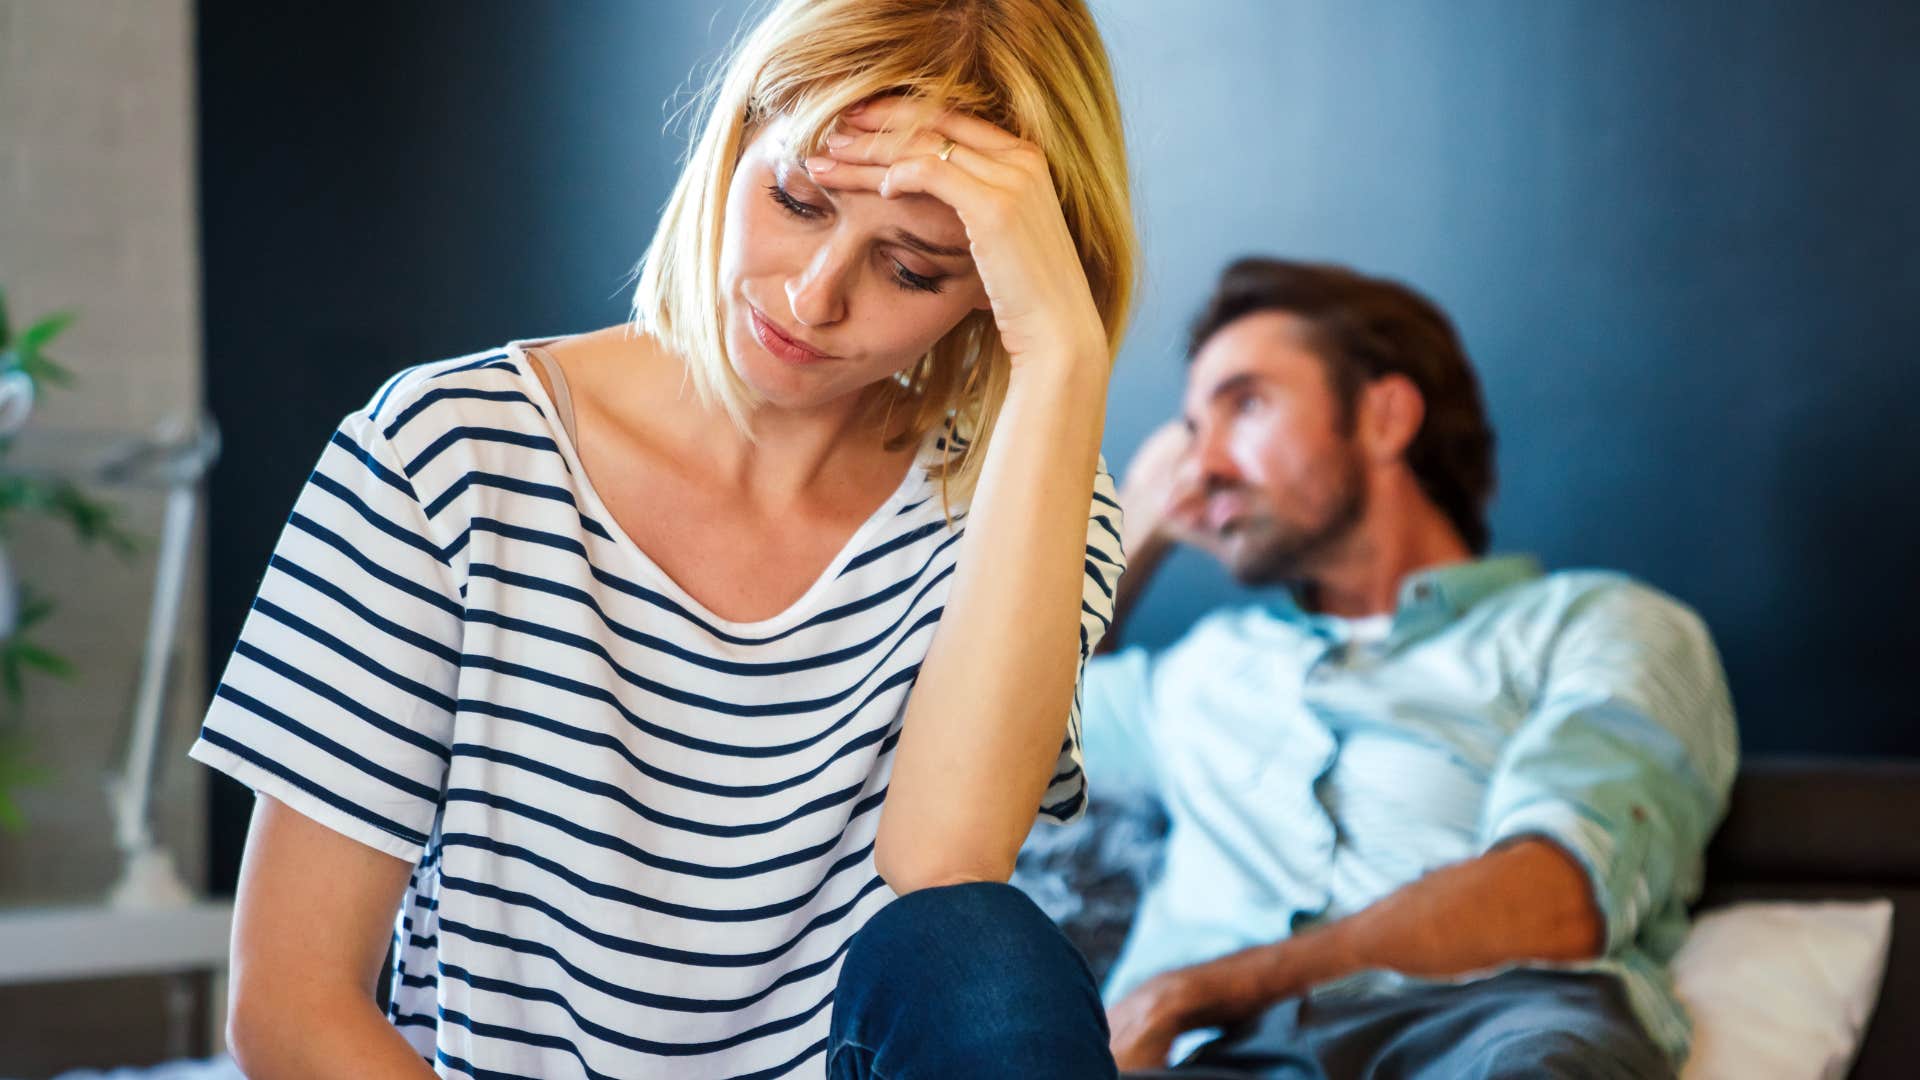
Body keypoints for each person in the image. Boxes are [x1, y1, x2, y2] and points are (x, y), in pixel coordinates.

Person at [189, 1, 1138, 1075]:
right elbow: (289, 1003)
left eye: (912, 270)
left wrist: (1064, 352)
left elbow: (946, 865)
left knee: (981, 951)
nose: (812, 296)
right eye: (794, 198)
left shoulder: (1031, 495)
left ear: (985, 295)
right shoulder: (445, 452)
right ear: (734, 139)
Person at [1084, 258, 1738, 1078]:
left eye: (1245, 405)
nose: (1201, 463)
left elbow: (1559, 901)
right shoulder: (1194, 673)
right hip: (1212, 1062)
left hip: (1483, 1026)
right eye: (1188, 432)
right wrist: (1134, 529)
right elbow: (976, 733)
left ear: (1386, 416)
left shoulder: (1597, 626)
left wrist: (1195, 992)